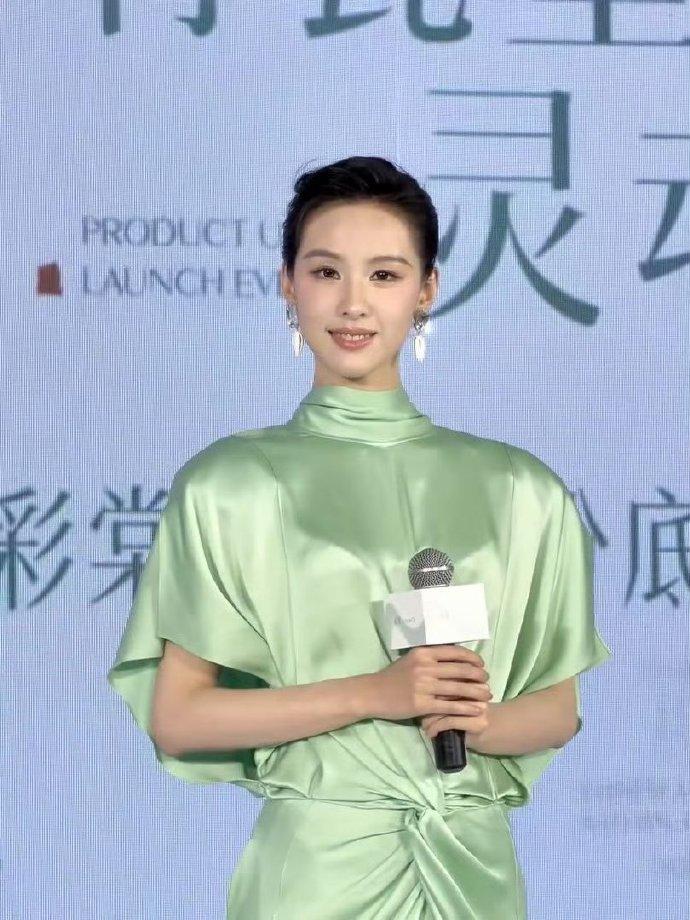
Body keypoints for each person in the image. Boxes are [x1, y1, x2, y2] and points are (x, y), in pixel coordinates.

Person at [107, 156, 612, 919]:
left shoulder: (520, 488)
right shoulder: (231, 483)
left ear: (427, 289)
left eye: (384, 274)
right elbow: (179, 719)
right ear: (288, 284)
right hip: (315, 873)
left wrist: (475, 720)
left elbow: (558, 710)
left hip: (470, 865)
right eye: (325, 272)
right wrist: (374, 694)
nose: (353, 303)